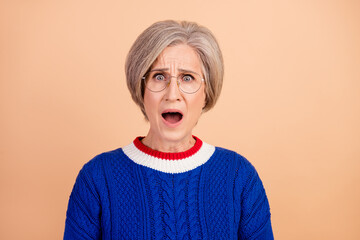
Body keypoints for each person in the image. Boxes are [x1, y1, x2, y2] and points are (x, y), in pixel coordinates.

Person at [64, 20, 273, 240]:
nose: (172, 94)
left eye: (187, 78)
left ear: (206, 93)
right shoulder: (96, 177)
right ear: (141, 89)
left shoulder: (239, 176)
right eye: (159, 77)